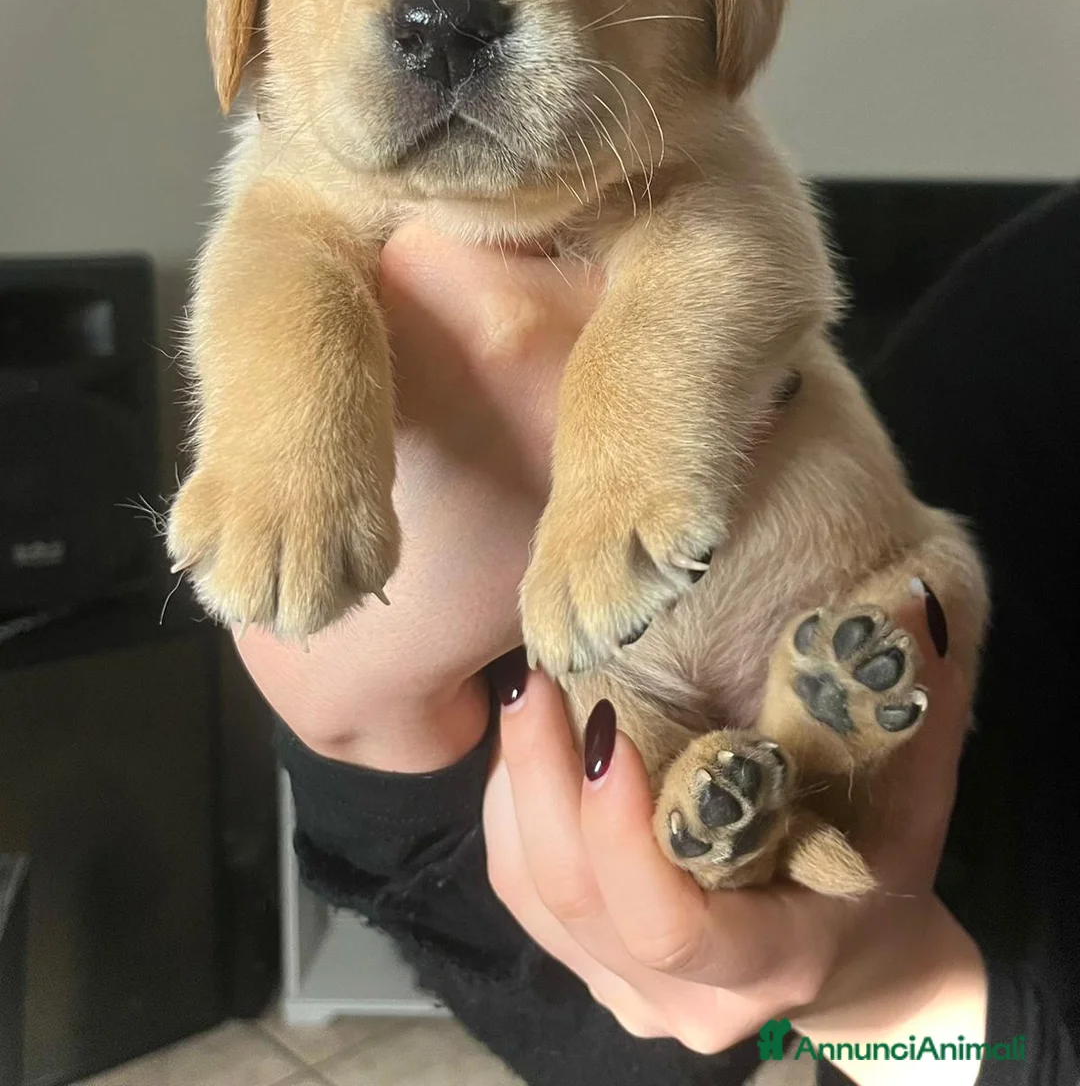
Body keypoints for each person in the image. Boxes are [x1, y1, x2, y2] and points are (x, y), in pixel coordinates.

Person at [238, 186, 1080, 1085]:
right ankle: (764, 801)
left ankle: (782, 783)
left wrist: (900, 1002)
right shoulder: (1045, 292)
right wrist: (376, 757)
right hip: (671, 733)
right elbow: (644, 1049)